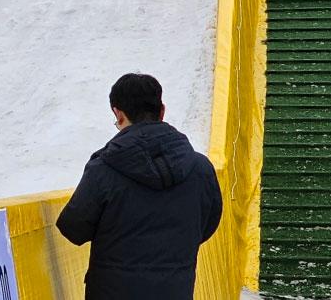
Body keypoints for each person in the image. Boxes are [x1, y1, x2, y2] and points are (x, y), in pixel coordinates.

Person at [57, 73, 222, 300]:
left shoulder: (104, 168)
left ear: (119, 114)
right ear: (162, 111)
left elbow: (73, 228)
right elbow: (208, 223)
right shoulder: (200, 168)